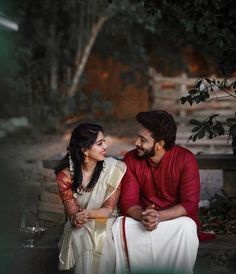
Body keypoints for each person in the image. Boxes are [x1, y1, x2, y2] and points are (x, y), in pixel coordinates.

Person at [113, 110, 211, 274]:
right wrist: (144, 216)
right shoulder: (131, 159)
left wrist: (159, 217)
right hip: (142, 220)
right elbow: (128, 203)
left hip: (174, 222)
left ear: (159, 144)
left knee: (187, 226)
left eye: (143, 140)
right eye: (138, 137)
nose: (137, 142)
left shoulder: (185, 159)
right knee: (117, 227)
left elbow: (190, 204)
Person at [55, 123, 126, 274]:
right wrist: (76, 218)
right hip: (79, 223)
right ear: (84, 149)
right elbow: (72, 212)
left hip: (106, 220)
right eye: (100, 143)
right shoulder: (66, 175)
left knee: (99, 238)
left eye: (104, 141)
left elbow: (108, 210)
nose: (105, 146)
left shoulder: (113, 169)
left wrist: (86, 214)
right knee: (82, 236)